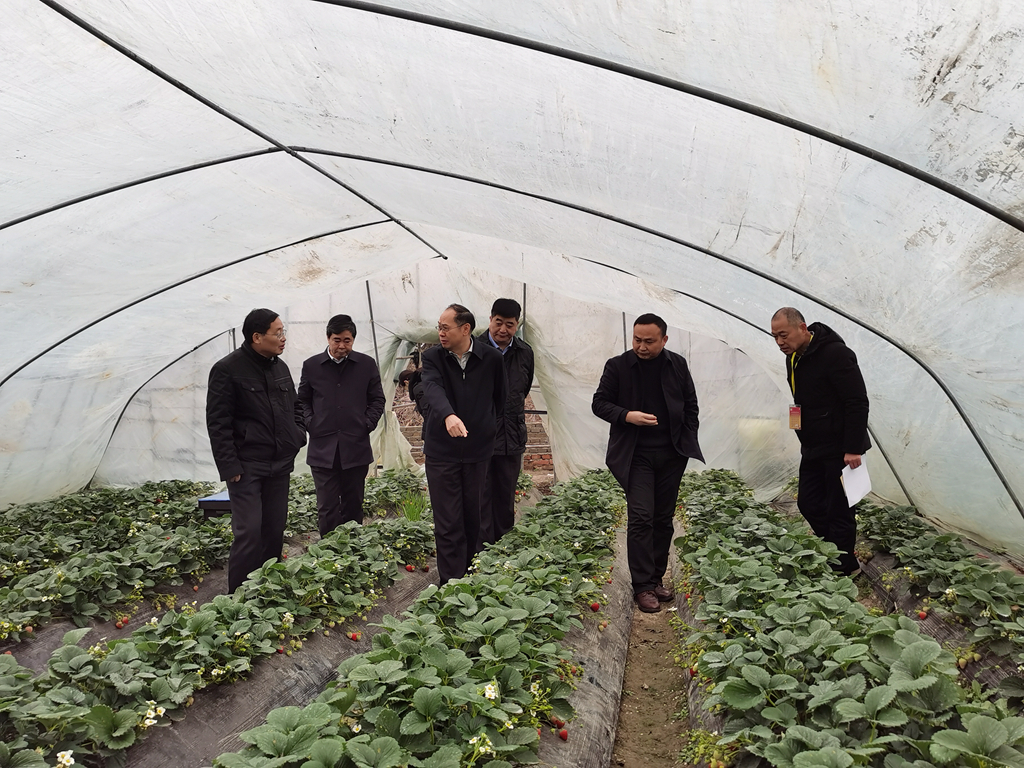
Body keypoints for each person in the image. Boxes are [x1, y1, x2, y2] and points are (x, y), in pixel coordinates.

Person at [592, 313, 703, 613]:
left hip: (671, 455)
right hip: (635, 454)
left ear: (664, 340)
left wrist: (686, 437)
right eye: (637, 340)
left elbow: (691, 405)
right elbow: (599, 403)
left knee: (662, 518)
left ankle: (655, 579)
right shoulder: (618, 366)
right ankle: (642, 586)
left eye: (649, 341)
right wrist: (627, 416)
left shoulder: (677, 364)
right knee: (641, 516)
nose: (641, 346)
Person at [206, 308, 306, 593]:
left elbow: (296, 407)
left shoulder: (280, 367)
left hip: (279, 464)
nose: (283, 338)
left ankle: (267, 592)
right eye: (278, 333)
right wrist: (230, 466)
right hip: (247, 466)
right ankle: (238, 597)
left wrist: (298, 435)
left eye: (283, 332)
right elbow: (218, 422)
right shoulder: (227, 369)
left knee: (274, 530)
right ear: (257, 337)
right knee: (249, 532)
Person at [770, 307, 870, 576]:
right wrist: (799, 430)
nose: (779, 342)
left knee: (839, 508)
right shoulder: (793, 358)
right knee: (808, 503)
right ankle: (834, 550)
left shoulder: (836, 354)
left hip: (840, 447)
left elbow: (857, 401)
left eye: (783, 335)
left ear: (802, 328)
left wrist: (853, 448)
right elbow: (798, 400)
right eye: (775, 336)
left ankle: (845, 567)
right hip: (813, 446)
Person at [420, 304, 506, 585]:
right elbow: (432, 388)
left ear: (465, 329)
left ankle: (469, 579)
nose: (441, 333)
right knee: (447, 522)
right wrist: (448, 415)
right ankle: (450, 584)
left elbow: (500, 399)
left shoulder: (491, 359)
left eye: (446, 328)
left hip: (477, 452)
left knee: (473, 519)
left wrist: (483, 426)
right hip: (441, 451)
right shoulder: (432, 357)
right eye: (439, 327)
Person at [295, 314, 386, 536]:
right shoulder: (312, 366)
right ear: (328, 338)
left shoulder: (366, 365)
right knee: (327, 507)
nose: (342, 346)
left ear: (353, 340)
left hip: (355, 446)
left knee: (353, 504)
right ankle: (329, 548)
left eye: (347, 340)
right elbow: (302, 400)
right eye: (337, 340)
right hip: (322, 448)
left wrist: (366, 423)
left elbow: (377, 399)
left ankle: (353, 548)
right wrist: (311, 423)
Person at [478, 298, 535, 548]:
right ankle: (480, 551)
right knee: (480, 496)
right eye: (498, 323)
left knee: (505, 496)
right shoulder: (474, 348)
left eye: (509, 325)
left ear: (517, 325)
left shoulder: (524, 353)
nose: (503, 330)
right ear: (490, 320)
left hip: (511, 435)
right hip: (479, 437)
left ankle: (502, 550)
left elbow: (523, 389)